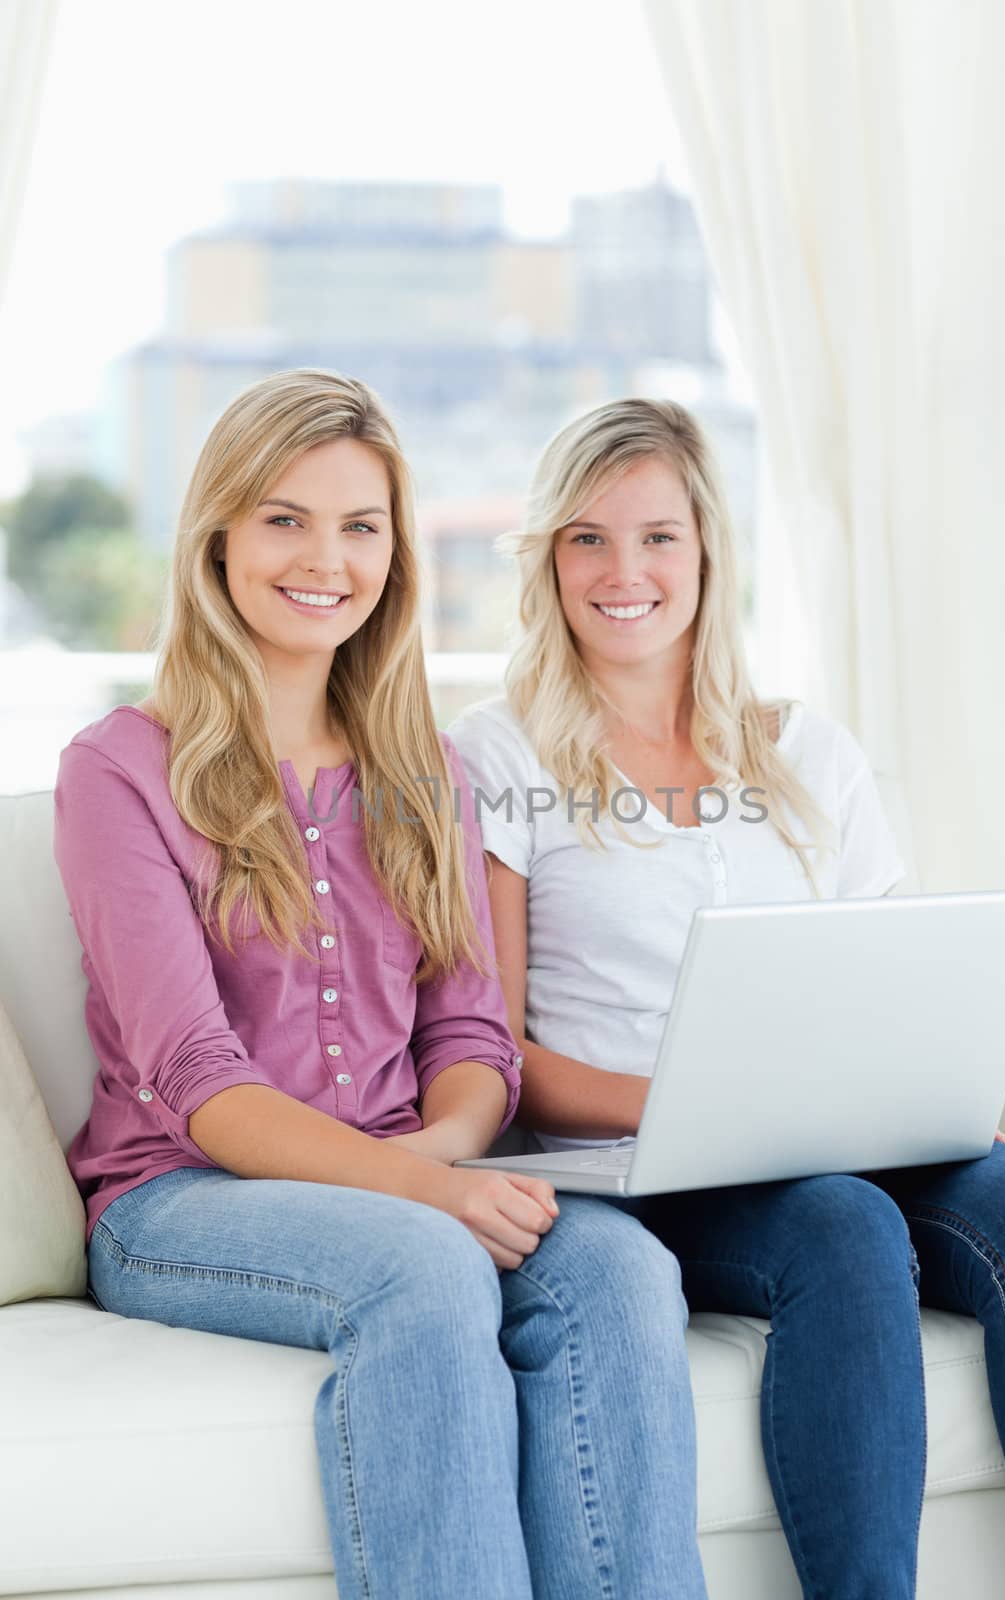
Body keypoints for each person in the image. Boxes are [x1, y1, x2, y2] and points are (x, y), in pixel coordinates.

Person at [52, 370, 710, 1600]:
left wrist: (444, 1150)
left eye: (361, 526)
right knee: (424, 1266)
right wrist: (417, 1190)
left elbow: (470, 1032)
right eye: (285, 519)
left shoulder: (427, 769)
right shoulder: (118, 771)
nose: (326, 558)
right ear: (218, 539)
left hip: (414, 1172)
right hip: (185, 1195)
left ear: (394, 554)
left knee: (625, 1271)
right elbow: (198, 1081)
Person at [448, 396, 1005, 1600]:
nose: (623, 571)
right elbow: (502, 1048)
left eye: (656, 537)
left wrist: (931, 1082)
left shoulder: (804, 750)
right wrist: (699, 1108)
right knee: (839, 1224)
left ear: (707, 552)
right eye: (586, 538)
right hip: (643, 1160)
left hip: (843, 1129)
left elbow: (900, 974)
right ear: (548, 561)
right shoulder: (499, 752)